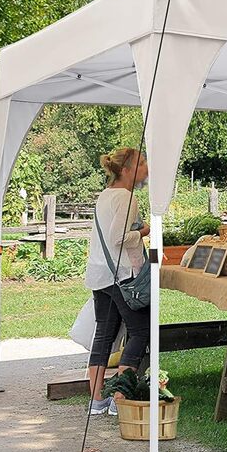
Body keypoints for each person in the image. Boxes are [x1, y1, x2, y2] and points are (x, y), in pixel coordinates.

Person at [85, 147, 151, 415]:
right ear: (126, 171)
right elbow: (119, 238)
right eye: (142, 163)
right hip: (122, 275)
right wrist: (144, 231)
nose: (146, 168)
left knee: (104, 334)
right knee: (140, 332)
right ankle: (120, 395)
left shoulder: (105, 195)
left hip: (100, 273)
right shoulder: (126, 197)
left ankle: (97, 398)